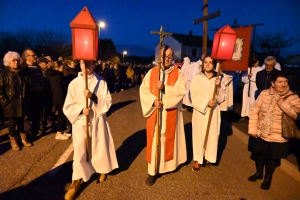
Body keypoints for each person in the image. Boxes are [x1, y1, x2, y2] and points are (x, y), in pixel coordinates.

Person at [63, 60, 118, 199]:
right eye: (82, 63)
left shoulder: (101, 82)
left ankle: (101, 169)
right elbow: (68, 106)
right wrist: (81, 110)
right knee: (80, 151)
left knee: (99, 148)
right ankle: (76, 181)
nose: (85, 66)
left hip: (98, 120)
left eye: (88, 63)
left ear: (94, 64)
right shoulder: (74, 83)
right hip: (81, 122)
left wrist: (92, 96)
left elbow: (107, 101)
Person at [140, 45, 187, 186]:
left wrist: (165, 88)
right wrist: (154, 101)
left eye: (170, 56)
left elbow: (181, 91)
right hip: (156, 113)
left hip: (170, 113)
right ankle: (152, 171)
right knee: (155, 140)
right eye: (165, 56)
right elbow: (143, 90)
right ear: (159, 57)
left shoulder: (178, 73)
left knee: (168, 140)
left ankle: (167, 166)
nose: (168, 58)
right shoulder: (152, 72)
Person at [247, 72, 300, 190]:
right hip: (262, 132)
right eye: (280, 82)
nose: (284, 84)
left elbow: (296, 116)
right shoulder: (264, 94)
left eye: (285, 82)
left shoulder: (293, 97)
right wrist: (252, 129)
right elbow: (255, 110)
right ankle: (259, 173)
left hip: (279, 135)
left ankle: (268, 178)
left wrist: (282, 103)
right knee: (259, 155)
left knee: (272, 159)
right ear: (273, 83)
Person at [189, 56, 226, 171]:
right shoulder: (197, 78)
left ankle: (209, 156)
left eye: (210, 62)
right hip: (200, 111)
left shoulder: (218, 78)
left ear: (214, 64)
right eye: (206, 62)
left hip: (213, 112)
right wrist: (206, 102)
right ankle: (198, 159)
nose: (208, 64)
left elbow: (223, 96)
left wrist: (218, 88)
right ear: (203, 64)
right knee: (198, 135)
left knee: (212, 134)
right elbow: (193, 95)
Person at [0, 51, 32, 150]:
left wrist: (27, 98)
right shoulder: (3, 74)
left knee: (22, 121)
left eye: (17, 60)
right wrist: (5, 101)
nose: (16, 62)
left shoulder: (23, 73)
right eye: (13, 61)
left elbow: (28, 86)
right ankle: (13, 140)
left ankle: (23, 138)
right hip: (11, 104)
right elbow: (0, 89)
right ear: (8, 62)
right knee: (12, 123)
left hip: (22, 102)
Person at [21, 49, 45, 137]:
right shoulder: (24, 69)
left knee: (38, 114)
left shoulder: (37, 67)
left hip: (39, 94)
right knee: (28, 115)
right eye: (33, 55)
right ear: (27, 57)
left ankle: (35, 131)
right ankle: (28, 133)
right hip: (30, 95)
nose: (36, 57)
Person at [47, 61, 69, 140]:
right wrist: (62, 101)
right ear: (57, 68)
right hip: (60, 99)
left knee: (62, 115)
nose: (63, 70)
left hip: (60, 98)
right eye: (61, 68)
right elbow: (58, 91)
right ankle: (59, 132)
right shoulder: (56, 77)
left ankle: (62, 131)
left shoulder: (57, 76)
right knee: (61, 116)